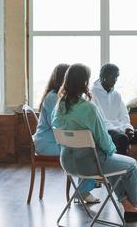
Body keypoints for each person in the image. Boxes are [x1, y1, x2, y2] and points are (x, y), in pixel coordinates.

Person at [52, 63, 137, 223]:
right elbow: (104, 140)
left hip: (67, 163)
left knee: (111, 165)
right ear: (84, 82)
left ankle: (127, 205)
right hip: (88, 164)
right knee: (130, 164)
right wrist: (111, 151)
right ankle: (135, 204)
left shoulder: (59, 106)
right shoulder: (88, 108)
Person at [32, 63, 99, 204]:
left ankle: (85, 186)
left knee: (87, 148)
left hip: (56, 140)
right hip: (47, 143)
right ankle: (84, 190)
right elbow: (56, 125)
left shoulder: (61, 97)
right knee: (87, 151)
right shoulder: (52, 98)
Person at [91, 63, 137, 193]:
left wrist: (128, 128)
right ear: (102, 76)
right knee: (122, 139)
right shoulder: (92, 93)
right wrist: (122, 131)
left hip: (120, 130)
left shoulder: (116, 94)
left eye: (117, 77)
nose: (115, 80)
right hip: (104, 132)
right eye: (112, 76)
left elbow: (124, 116)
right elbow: (100, 121)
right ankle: (120, 183)